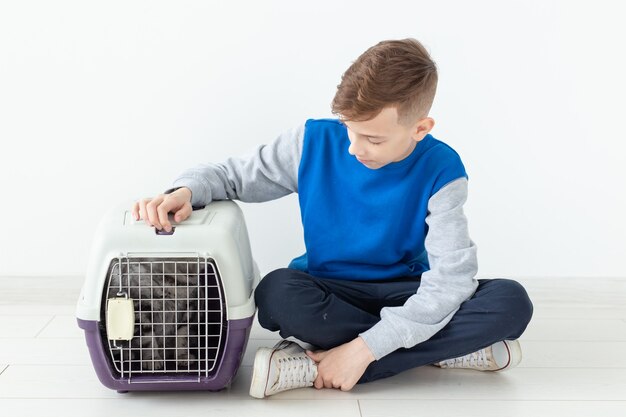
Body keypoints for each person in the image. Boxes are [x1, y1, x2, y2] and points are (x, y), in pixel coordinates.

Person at [131, 38, 534, 399]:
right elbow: (229, 177)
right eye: (350, 131)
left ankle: (322, 363)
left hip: (407, 291)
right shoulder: (313, 142)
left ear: (420, 128)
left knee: (511, 302)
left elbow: (450, 280)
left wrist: (363, 349)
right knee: (275, 294)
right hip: (330, 291)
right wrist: (182, 191)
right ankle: (436, 349)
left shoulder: (443, 169)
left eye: (374, 139)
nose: (355, 148)